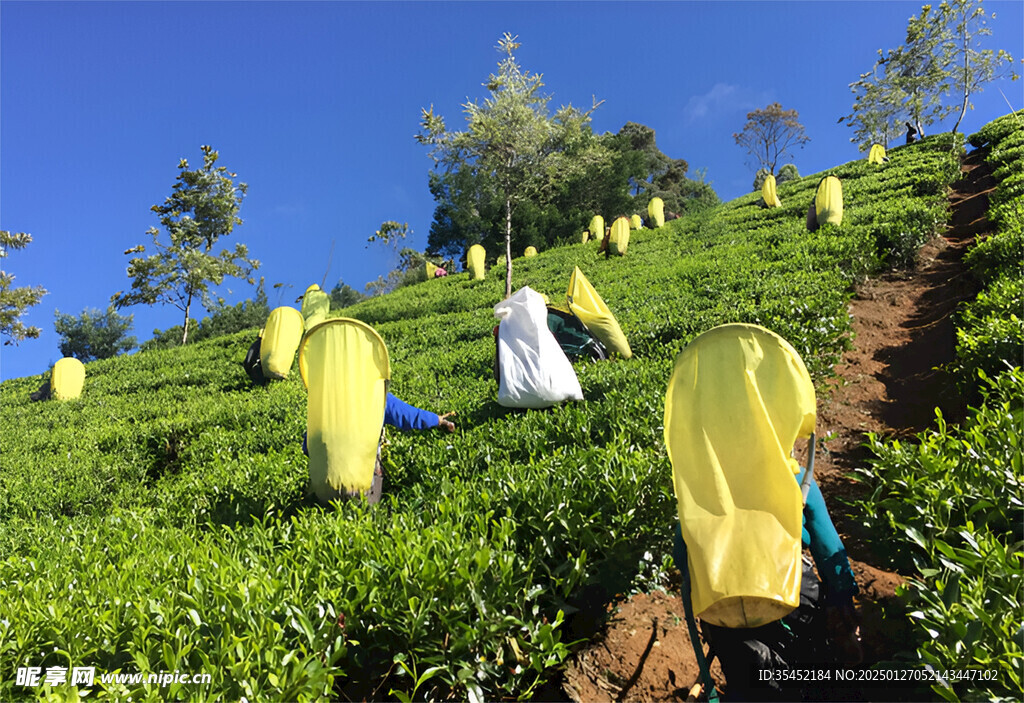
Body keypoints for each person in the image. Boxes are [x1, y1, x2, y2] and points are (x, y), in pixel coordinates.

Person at [674, 469, 861, 701]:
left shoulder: (702, 486)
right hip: (789, 590)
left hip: (722, 600)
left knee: (743, 675)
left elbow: (682, 555)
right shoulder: (794, 475)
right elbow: (828, 546)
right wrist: (841, 597)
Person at [303, 392, 455, 503]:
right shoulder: (374, 396)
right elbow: (408, 416)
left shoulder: (324, 402)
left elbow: (307, 448)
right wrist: (437, 420)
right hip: (360, 488)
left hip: (323, 488)